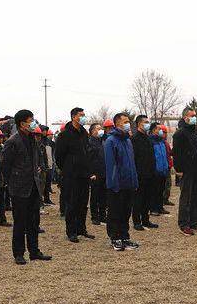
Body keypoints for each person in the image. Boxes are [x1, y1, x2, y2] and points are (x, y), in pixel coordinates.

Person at [1, 110, 52, 265]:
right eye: (31, 120)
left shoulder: (33, 139)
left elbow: (36, 160)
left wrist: (36, 170)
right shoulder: (13, 141)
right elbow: (5, 166)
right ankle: (18, 253)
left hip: (33, 187)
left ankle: (34, 251)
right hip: (19, 188)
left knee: (33, 221)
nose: (33, 123)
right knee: (20, 222)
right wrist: (12, 182)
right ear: (22, 123)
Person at [54, 107, 96, 242]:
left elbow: (87, 152)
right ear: (73, 117)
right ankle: (71, 231)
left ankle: (81, 229)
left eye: (84, 115)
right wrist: (67, 168)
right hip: (71, 175)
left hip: (84, 174)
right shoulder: (65, 134)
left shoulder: (84, 133)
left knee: (83, 204)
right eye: (81, 115)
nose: (83, 117)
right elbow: (59, 156)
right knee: (72, 203)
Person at [104, 113, 139, 251]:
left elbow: (131, 163)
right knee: (115, 212)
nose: (128, 124)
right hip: (116, 186)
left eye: (128, 121)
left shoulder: (128, 141)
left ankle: (125, 236)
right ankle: (115, 237)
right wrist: (114, 184)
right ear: (117, 123)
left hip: (128, 183)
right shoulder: (111, 141)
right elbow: (110, 165)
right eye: (125, 121)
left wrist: (134, 181)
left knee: (126, 212)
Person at [172, 109, 197, 235]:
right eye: (192, 116)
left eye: (195, 116)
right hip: (186, 170)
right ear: (185, 117)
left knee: (196, 197)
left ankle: (194, 222)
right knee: (186, 198)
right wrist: (178, 169)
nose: (194, 118)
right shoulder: (179, 134)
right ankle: (184, 224)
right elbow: (177, 153)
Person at [131, 114, 158, 231]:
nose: (147, 124)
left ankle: (146, 220)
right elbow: (134, 158)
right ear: (139, 124)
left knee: (147, 198)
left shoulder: (148, 138)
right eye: (145, 122)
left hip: (150, 174)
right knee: (138, 199)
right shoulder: (134, 139)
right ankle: (137, 221)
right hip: (139, 174)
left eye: (148, 122)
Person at [87, 123, 107, 225]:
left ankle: (103, 215)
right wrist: (91, 173)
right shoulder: (90, 142)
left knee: (103, 196)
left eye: (101, 128)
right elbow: (89, 160)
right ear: (93, 131)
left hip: (104, 173)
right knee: (95, 196)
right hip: (95, 174)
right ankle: (95, 216)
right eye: (98, 129)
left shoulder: (102, 141)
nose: (101, 130)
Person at [149, 123, 170, 216]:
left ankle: (160, 207)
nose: (160, 130)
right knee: (154, 191)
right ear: (153, 130)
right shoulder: (150, 141)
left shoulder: (162, 141)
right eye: (158, 129)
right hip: (155, 170)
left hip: (163, 170)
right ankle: (153, 208)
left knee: (161, 190)